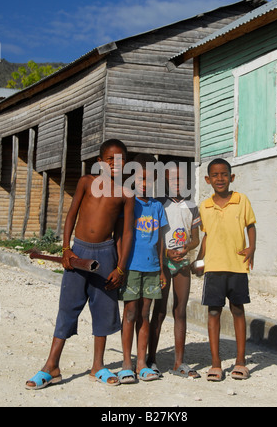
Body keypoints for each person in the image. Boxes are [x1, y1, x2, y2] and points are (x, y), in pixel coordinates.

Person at [25, 139, 135, 389]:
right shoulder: (87, 182)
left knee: (104, 309)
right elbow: (71, 214)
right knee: (68, 307)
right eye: (109, 160)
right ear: (100, 163)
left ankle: (98, 366)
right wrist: (66, 249)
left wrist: (121, 267)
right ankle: (51, 366)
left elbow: (127, 233)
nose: (114, 164)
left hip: (106, 255)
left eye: (119, 160)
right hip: (79, 250)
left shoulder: (126, 194)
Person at [198, 158, 256, 382]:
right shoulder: (204, 206)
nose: (219, 178)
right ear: (208, 179)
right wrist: (200, 261)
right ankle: (215, 363)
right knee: (213, 312)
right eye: (215, 175)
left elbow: (250, 226)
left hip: (237, 266)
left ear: (231, 178)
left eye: (224, 174)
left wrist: (251, 248)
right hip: (213, 268)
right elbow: (206, 235)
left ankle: (241, 362)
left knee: (238, 310)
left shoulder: (242, 201)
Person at [148, 161, 201, 379]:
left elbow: (196, 237)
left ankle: (179, 361)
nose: (177, 183)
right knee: (159, 310)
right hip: (162, 262)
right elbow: (156, 235)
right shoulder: (159, 204)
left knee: (180, 310)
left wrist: (186, 248)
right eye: (173, 179)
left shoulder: (192, 206)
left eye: (181, 179)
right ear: (166, 181)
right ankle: (150, 359)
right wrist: (167, 253)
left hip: (182, 263)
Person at [118, 153, 168, 383]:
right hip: (130, 267)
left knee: (145, 315)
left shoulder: (158, 207)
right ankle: (126, 363)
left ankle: (141, 363)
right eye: (141, 178)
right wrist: (120, 265)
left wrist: (161, 269)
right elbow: (120, 236)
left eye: (150, 179)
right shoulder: (128, 204)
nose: (145, 183)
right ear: (132, 179)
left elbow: (160, 241)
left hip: (152, 269)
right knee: (130, 313)